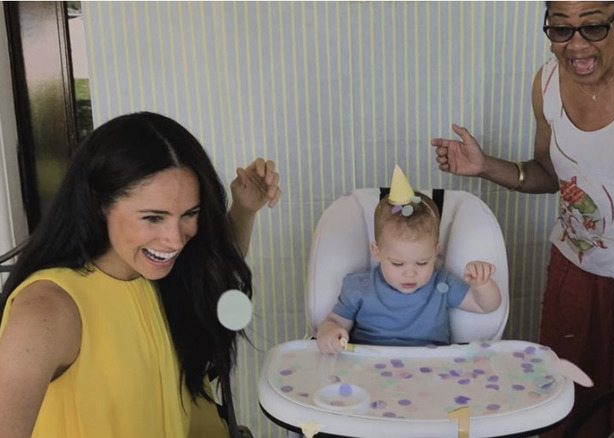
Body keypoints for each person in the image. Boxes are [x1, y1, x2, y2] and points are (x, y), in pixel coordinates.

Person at [430, 2, 614, 436]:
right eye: (560, 30)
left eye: (593, 27)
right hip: (575, 271)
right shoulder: (546, 82)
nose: (576, 45)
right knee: (568, 403)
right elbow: (550, 175)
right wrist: (485, 165)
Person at [0, 112, 281, 438]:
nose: (175, 240)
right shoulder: (48, 309)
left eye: (189, 214)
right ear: (98, 205)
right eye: (152, 218)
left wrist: (244, 209)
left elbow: (214, 264)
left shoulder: (155, 272)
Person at [316, 166, 501, 354]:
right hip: (370, 367)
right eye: (397, 263)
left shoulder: (442, 285)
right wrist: (330, 332)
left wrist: (482, 284)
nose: (410, 272)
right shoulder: (358, 287)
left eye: (422, 263)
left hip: (429, 368)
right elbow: (334, 321)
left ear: (436, 251)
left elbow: (485, 305)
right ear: (377, 252)